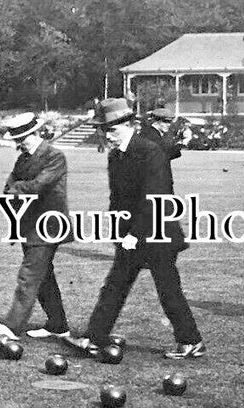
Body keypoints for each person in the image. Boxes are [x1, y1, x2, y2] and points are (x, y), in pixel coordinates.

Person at [75, 98, 205, 360]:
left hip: (158, 231)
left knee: (168, 289)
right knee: (115, 285)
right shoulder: (116, 156)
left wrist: (135, 234)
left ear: (130, 125)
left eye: (111, 129)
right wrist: (120, 231)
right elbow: (118, 199)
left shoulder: (151, 151)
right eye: (103, 130)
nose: (107, 136)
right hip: (130, 235)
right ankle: (95, 337)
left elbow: (156, 197)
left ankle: (191, 341)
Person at [0, 113, 76, 343]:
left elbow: (38, 186)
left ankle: (13, 326)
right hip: (28, 224)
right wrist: (18, 188)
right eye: (17, 139)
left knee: (29, 274)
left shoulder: (54, 156)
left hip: (48, 225)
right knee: (43, 275)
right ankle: (58, 325)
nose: (19, 143)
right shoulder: (23, 159)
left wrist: (17, 187)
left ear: (34, 133)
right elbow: (8, 187)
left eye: (22, 138)